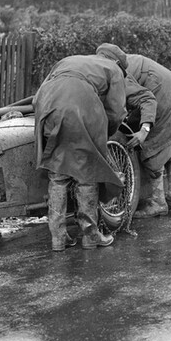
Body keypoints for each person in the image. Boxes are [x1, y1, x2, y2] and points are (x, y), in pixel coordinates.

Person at [32, 49, 128, 251]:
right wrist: (104, 134)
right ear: (118, 62)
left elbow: (37, 96)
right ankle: (90, 236)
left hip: (48, 105)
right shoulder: (114, 69)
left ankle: (58, 238)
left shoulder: (68, 59)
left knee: (57, 175)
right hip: (81, 107)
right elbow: (117, 111)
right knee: (87, 175)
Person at [112, 49, 171, 218]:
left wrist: (144, 129)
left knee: (153, 143)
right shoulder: (111, 61)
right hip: (168, 81)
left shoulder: (108, 71)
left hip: (155, 89)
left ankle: (158, 202)